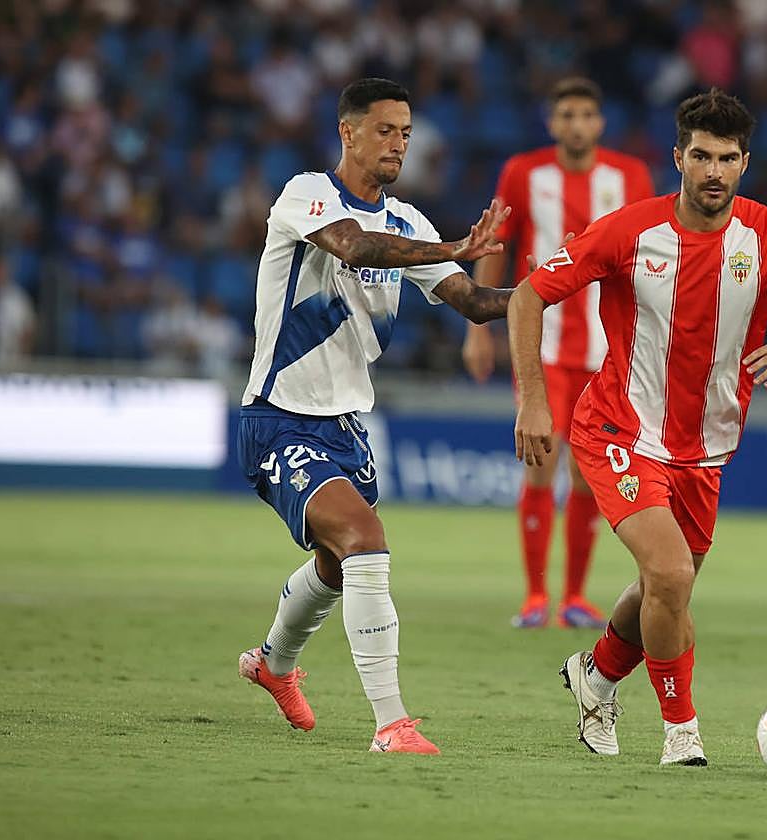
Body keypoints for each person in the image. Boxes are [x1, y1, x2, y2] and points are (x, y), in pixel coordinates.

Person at [508, 89, 767, 766]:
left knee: (664, 588)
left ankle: (598, 675)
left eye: (727, 157)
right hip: (618, 430)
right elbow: (529, 295)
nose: (714, 171)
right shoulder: (627, 233)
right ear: (678, 158)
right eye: (701, 155)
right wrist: (532, 399)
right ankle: (682, 733)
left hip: (705, 449)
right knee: (669, 574)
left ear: (745, 163)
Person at [236, 78, 513, 755]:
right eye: (385, 130)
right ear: (349, 133)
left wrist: (564, 286)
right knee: (364, 540)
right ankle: (392, 724)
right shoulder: (307, 194)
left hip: (347, 427)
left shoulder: (411, 225)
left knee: (337, 566)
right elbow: (355, 247)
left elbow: (473, 303)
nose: (398, 144)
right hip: (278, 418)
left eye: (407, 133)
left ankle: (272, 667)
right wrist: (453, 247)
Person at [461, 78, 654, 630]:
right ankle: (535, 596)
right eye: (566, 114)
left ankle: (574, 597)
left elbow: (650, 250)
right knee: (542, 465)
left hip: (607, 349)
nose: (576, 124)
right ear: (552, 122)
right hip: (543, 348)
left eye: (586, 114)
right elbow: (497, 245)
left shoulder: (631, 178)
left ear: (600, 123)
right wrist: (478, 328)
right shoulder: (524, 173)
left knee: (591, 475)